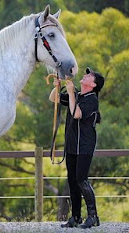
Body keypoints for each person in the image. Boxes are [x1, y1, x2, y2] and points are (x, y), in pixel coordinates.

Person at [49, 67, 105, 228]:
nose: (86, 75)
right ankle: (76, 217)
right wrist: (58, 86)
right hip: (72, 145)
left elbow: (77, 114)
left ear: (93, 84)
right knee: (72, 181)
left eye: (89, 75)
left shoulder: (91, 99)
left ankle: (93, 216)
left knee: (81, 179)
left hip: (85, 146)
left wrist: (72, 93)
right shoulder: (78, 95)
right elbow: (53, 98)